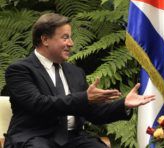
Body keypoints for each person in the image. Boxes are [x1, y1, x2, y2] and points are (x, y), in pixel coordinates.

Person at [4, 13, 155, 148]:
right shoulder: (20, 70)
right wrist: (85, 98)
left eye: (70, 37)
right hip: (36, 136)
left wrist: (124, 104)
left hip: (73, 139)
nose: (71, 43)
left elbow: (94, 112)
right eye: (65, 37)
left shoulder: (75, 72)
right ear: (45, 39)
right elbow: (39, 104)